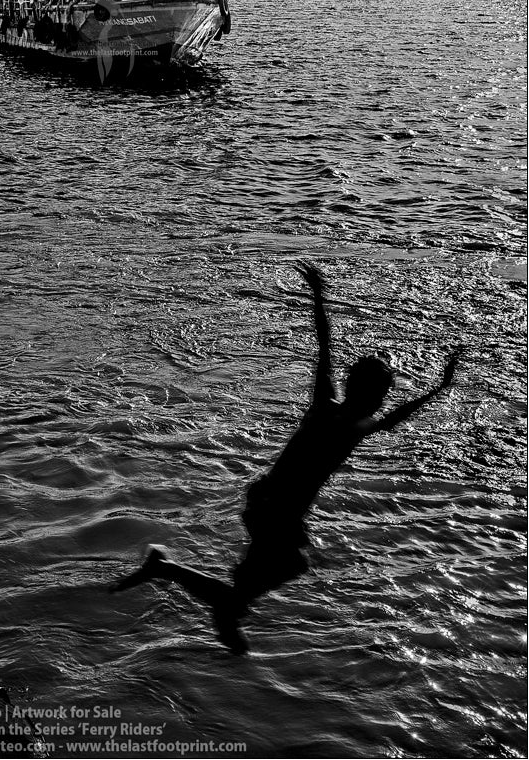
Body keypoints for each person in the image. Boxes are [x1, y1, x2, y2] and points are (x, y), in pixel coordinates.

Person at [111, 264, 462, 654]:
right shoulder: (346, 422)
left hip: (273, 506)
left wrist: (318, 295)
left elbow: (328, 349)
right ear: (367, 393)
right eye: (383, 392)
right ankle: (169, 572)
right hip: (274, 510)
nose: (385, 400)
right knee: (267, 581)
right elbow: (335, 357)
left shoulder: (335, 412)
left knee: (261, 584)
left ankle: (216, 613)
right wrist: (438, 388)